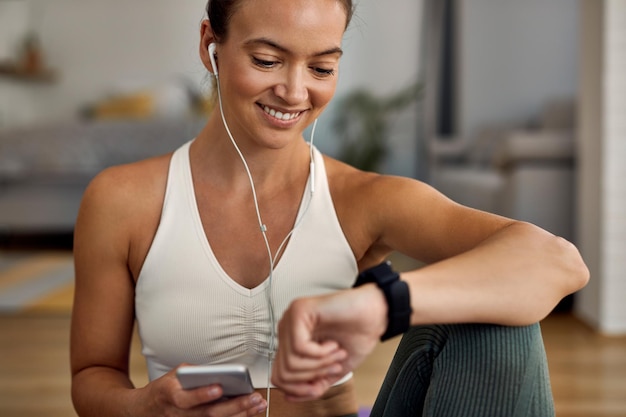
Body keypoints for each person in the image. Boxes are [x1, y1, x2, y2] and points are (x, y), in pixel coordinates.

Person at [70, 0, 589, 417]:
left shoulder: (359, 198)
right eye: (267, 60)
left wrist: (379, 305)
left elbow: (559, 262)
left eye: (321, 67)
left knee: (497, 321)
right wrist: (143, 406)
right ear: (211, 44)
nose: (295, 92)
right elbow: (92, 377)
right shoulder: (122, 201)